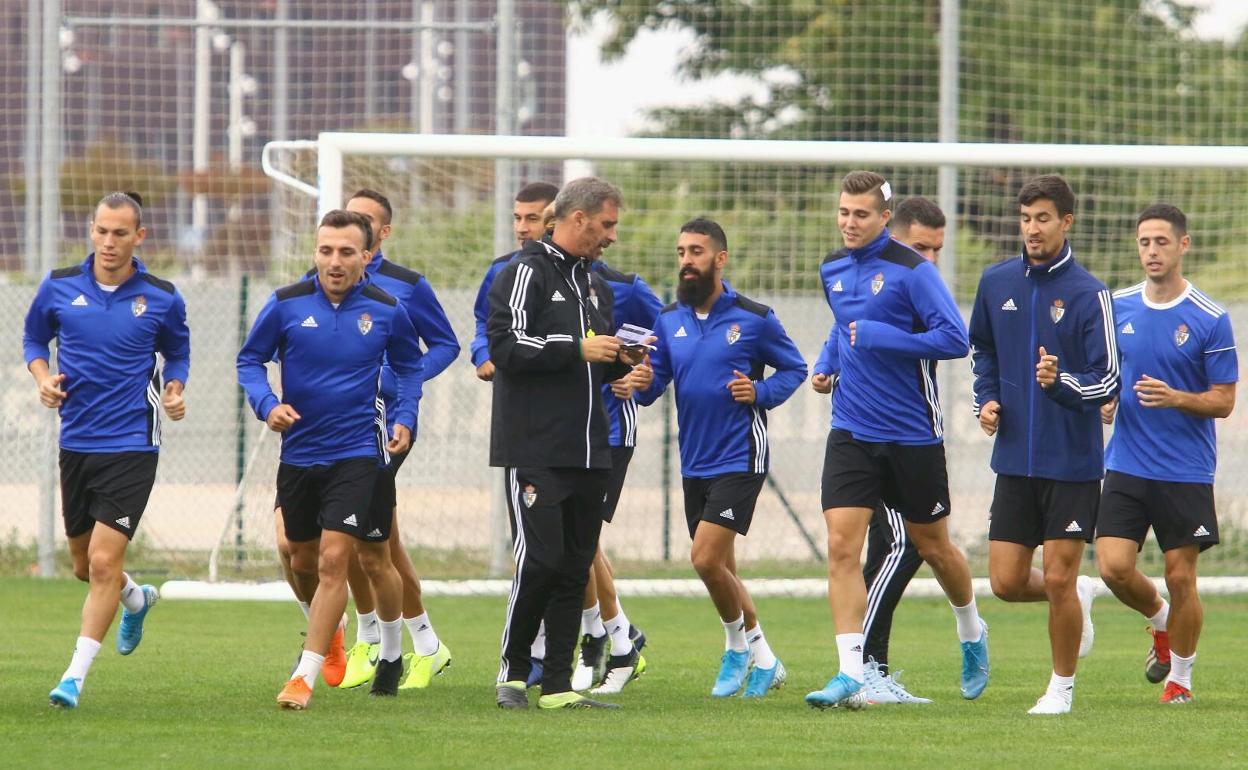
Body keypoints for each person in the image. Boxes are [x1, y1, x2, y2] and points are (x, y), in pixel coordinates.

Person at [806, 171, 987, 711]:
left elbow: (954, 339)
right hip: (851, 429)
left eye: (860, 214)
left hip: (911, 434)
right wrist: (826, 364)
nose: (849, 222)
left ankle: (972, 629)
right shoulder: (832, 268)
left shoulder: (914, 271)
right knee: (842, 546)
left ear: (885, 218)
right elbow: (843, 326)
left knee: (934, 547)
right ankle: (851, 672)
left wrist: (883, 337)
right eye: (843, 211)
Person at [238, 210, 423, 710]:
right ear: (315, 253)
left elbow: (410, 366)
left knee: (340, 558)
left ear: (367, 255)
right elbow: (249, 361)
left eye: (346, 252)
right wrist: (267, 404)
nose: (335, 261)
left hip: (359, 453)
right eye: (326, 251)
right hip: (300, 452)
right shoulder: (285, 304)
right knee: (300, 558)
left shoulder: (387, 309)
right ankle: (335, 630)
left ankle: (310, 674)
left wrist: (405, 416)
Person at [487, 177, 649, 710]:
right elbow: (506, 346)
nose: (612, 236)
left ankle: (557, 685)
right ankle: (513, 675)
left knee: (574, 568)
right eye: (607, 225)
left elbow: (593, 362)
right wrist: (577, 348)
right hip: (536, 448)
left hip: (591, 450)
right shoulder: (523, 271)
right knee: (538, 561)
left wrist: (625, 366)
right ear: (577, 218)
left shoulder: (597, 284)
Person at [25, 192, 190, 709]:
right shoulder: (58, 286)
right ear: (91, 231)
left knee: (101, 562)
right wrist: (43, 378)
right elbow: (33, 341)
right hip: (76, 441)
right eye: (102, 230)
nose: (109, 241)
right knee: (83, 565)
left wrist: (175, 388)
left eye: (121, 233)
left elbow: (178, 352)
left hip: (133, 444)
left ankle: (73, 678)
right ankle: (135, 599)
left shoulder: (161, 297)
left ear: (139, 237)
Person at [634, 218, 806, 698]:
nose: (687, 261)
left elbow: (794, 368)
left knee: (705, 559)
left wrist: (760, 392)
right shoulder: (668, 319)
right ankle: (766, 659)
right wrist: (638, 383)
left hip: (740, 456)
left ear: (719, 259)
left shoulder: (755, 318)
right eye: (681, 252)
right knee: (723, 570)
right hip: (695, 461)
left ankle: (735, 649)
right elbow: (654, 382)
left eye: (696, 251)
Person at [969, 174, 1119, 715]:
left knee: (1057, 575)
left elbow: (1108, 380)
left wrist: (1061, 384)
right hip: (1014, 460)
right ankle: (1076, 594)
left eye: (1043, 219)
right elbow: (983, 351)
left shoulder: (1090, 293)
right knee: (1006, 582)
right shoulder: (996, 283)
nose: (1032, 228)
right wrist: (986, 399)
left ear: (1066, 222)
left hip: (1072, 463)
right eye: (1026, 218)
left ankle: (1061, 688)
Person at [1096, 204, 1235, 705]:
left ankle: (1181, 679)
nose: (1152, 251)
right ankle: (1160, 621)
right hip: (1126, 462)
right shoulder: (1116, 307)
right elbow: (1105, 373)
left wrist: (1176, 397)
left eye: (1161, 242)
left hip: (1185, 469)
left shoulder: (1210, 317)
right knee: (1112, 567)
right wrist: (1107, 399)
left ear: (1183, 245)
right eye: (1144, 242)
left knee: (1181, 575)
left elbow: (1224, 400)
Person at [332, 188, 461, 690]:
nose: (354, 228)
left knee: (356, 537)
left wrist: (400, 379)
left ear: (382, 232)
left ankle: (372, 640)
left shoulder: (406, 286)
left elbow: (446, 344)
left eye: (365, 221)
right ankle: (423, 643)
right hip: (332, 423)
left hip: (385, 426)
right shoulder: (326, 281)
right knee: (379, 539)